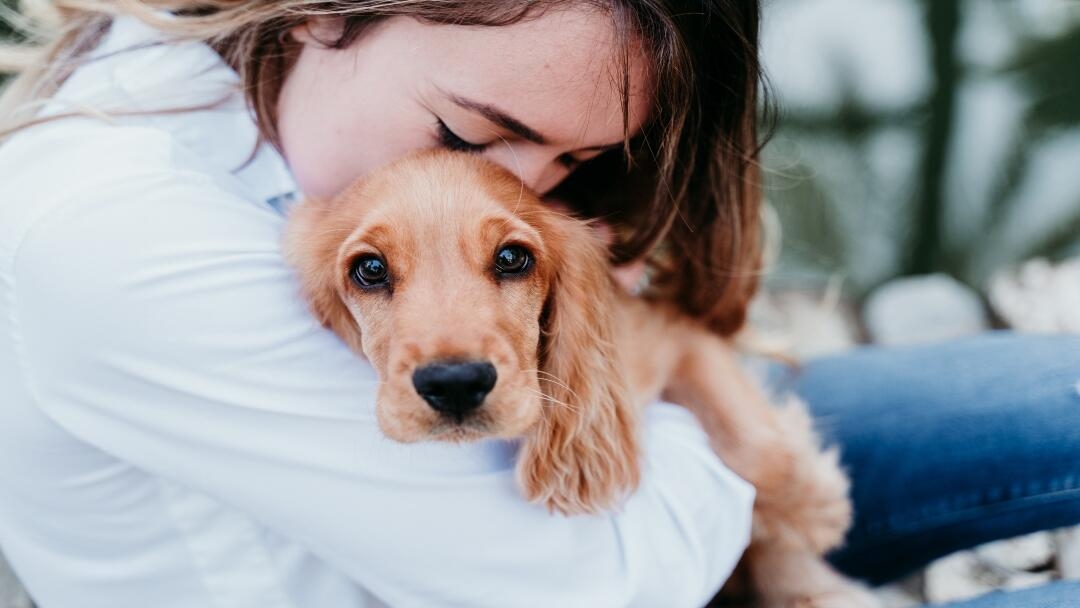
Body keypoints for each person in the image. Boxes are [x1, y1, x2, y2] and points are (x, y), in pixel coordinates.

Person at [0, 1, 1076, 607]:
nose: (529, 189)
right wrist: (684, 393)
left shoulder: (249, 74)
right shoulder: (124, 237)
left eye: (573, 160)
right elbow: (605, 587)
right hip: (600, 562)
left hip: (621, 487)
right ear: (328, 11)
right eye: (472, 136)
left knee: (1060, 391)